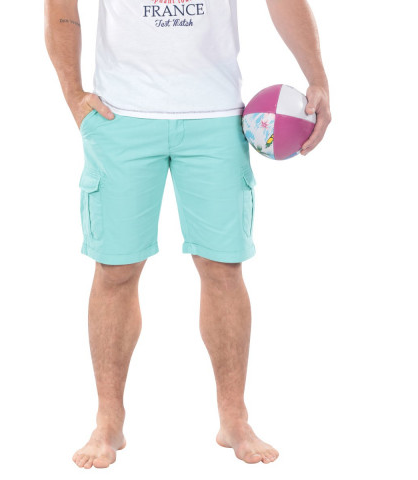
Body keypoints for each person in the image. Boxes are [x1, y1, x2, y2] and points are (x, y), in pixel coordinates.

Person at [44, 0, 331, 469]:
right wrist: (73, 93)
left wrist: (317, 76)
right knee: (115, 269)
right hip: (120, 117)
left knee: (223, 268)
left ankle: (234, 419)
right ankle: (108, 420)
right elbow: (61, 5)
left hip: (216, 119)